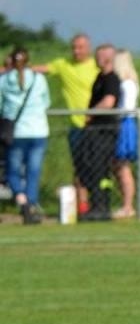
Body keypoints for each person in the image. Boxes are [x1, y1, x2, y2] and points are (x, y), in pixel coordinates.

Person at [36, 33, 97, 214]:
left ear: (88, 48)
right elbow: (41, 69)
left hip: (97, 126)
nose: (76, 51)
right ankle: (82, 206)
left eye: (80, 47)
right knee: (79, 168)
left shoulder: (96, 66)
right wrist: (12, 69)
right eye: (74, 47)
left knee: (98, 167)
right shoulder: (64, 65)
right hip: (77, 127)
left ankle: (100, 203)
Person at [1, 47, 51, 225]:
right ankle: (31, 204)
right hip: (39, 130)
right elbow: (46, 102)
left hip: (16, 132)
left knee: (13, 171)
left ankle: (22, 200)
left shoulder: (5, 80)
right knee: (33, 171)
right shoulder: (39, 79)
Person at [78, 44, 121, 221]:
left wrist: (91, 113)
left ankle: (101, 207)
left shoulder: (112, 79)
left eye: (99, 56)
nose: (96, 59)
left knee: (99, 168)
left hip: (104, 130)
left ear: (108, 58)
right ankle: (96, 205)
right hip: (94, 131)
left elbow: (109, 102)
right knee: (90, 168)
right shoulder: (99, 77)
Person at [112, 49, 140, 219]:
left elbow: (127, 107)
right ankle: (125, 203)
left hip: (125, 123)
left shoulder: (127, 84)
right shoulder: (126, 83)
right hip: (123, 122)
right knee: (119, 167)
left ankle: (128, 206)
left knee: (124, 167)